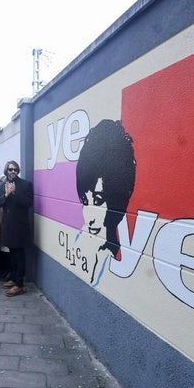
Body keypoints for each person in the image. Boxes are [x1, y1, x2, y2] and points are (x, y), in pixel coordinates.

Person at [75, 119, 136, 284]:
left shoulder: (118, 258)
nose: (90, 217)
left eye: (98, 200)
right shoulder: (80, 241)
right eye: (85, 202)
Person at [0, 160, 33, 297]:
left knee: (20, 255)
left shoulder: (26, 184)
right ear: (6, 170)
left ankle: (19, 284)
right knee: (12, 254)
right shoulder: (1, 186)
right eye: (11, 169)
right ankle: (14, 278)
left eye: (16, 170)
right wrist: (6, 194)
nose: (13, 172)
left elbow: (28, 203)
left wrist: (15, 193)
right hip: (8, 225)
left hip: (20, 225)